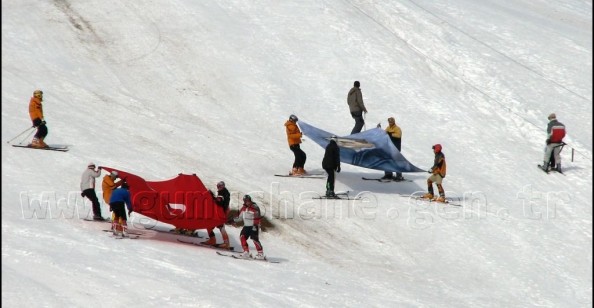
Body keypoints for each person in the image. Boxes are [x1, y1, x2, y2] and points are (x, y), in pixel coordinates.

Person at [233, 195, 265, 259]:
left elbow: (257, 217)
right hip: (246, 226)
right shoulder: (244, 208)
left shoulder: (254, 207)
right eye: (246, 201)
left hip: (254, 226)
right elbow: (240, 217)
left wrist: (255, 225)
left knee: (254, 239)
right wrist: (233, 220)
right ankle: (246, 252)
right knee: (242, 237)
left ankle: (260, 254)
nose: (247, 202)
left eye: (248, 200)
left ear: (250, 200)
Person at [203, 181, 231, 248]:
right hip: (219, 212)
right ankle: (213, 240)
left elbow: (219, 202)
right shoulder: (223, 192)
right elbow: (219, 201)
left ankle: (226, 243)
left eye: (220, 186)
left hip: (221, 213)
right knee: (209, 225)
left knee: (220, 227)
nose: (219, 187)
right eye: (218, 186)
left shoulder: (223, 193)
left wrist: (212, 197)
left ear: (223, 186)